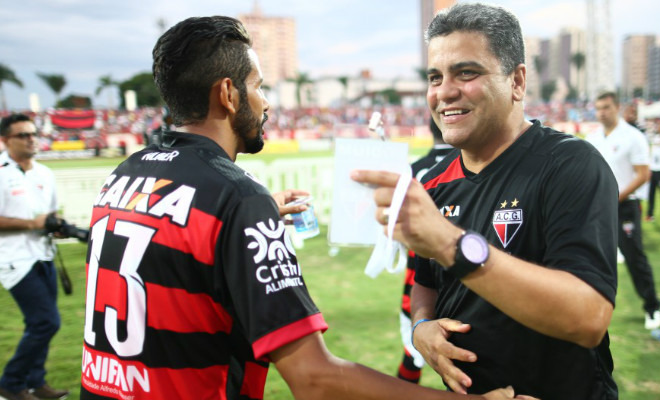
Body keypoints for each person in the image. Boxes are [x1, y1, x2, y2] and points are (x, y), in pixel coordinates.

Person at [79, 16, 532, 400]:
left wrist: (237, 223)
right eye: (259, 87)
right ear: (228, 95)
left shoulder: (124, 176)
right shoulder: (236, 198)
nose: (267, 102)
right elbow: (314, 378)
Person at [352, 4, 618, 398]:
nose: (444, 92)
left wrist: (451, 243)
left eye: (466, 72)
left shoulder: (569, 165)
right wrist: (422, 327)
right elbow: (426, 283)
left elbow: (588, 316)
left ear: (517, 81)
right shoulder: (434, 183)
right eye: (435, 77)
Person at [0, 114, 69, 400]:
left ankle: (35, 381)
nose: (31, 139)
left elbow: (50, 215)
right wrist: (33, 224)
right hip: (14, 260)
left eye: (33, 134)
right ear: (5, 141)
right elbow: (34, 220)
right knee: (46, 322)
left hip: (44, 256)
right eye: (23, 135)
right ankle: (11, 384)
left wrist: (57, 226)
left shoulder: (44, 173)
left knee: (38, 323)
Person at [586, 92, 660, 330]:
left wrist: (615, 196)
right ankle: (592, 310)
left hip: (625, 206)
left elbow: (643, 174)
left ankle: (652, 307)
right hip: (598, 206)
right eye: (598, 108)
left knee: (634, 257)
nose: (602, 112)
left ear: (617, 107)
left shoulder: (633, 136)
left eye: (606, 107)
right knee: (590, 258)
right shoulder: (593, 137)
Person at [397, 118, 453, 384]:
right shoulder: (473, 170)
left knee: (413, 347)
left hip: (418, 275)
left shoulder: (412, 171)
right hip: (467, 276)